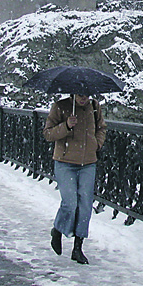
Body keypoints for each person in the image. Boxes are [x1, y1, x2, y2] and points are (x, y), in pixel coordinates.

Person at [44, 93, 106, 264]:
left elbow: (101, 128)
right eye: (80, 95)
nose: (83, 98)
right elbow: (48, 134)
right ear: (73, 93)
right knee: (70, 203)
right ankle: (58, 229)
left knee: (85, 205)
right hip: (65, 162)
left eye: (86, 95)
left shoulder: (94, 107)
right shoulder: (60, 106)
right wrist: (66, 126)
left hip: (88, 163)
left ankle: (78, 247)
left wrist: (97, 144)